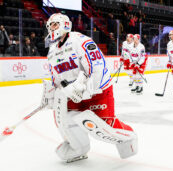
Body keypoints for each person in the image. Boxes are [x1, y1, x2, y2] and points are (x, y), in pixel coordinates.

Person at [41, 13, 138, 163]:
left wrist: (85, 87)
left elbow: (97, 66)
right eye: (49, 26)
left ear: (65, 24)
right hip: (72, 94)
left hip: (96, 91)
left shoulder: (80, 40)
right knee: (63, 119)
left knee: (105, 127)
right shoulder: (52, 50)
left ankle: (129, 137)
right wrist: (51, 94)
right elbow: (56, 77)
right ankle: (78, 148)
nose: (51, 28)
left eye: (54, 24)